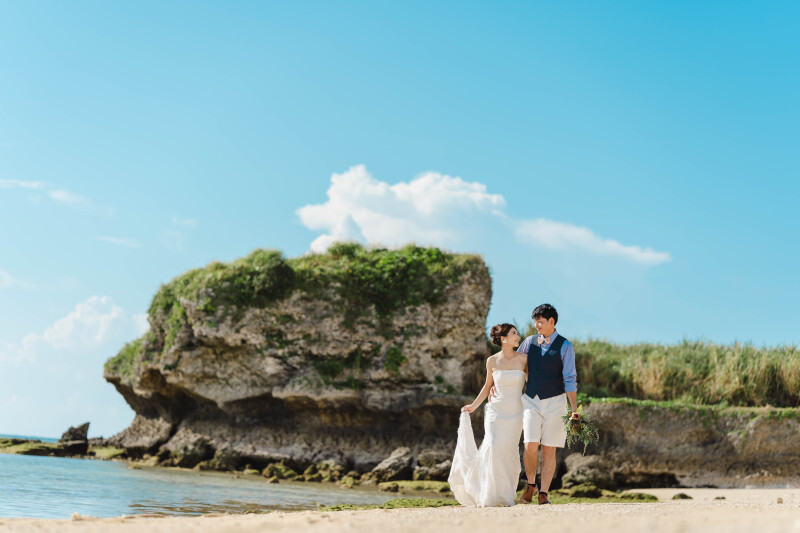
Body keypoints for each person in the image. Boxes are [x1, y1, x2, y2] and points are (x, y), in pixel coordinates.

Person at [448, 323, 527, 507]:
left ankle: (506, 495)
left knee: (509, 451)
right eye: (514, 333)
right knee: (492, 446)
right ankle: (489, 495)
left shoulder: (524, 359)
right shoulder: (491, 361)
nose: (518, 336)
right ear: (504, 339)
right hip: (495, 411)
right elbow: (487, 386)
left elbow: (532, 384)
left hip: (516, 411)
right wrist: (474, 406)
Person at [513, 303, 580, 505]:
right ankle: (530, 484)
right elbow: (516, 365)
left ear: (552, 321)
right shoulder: (529, 342)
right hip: (531, 400)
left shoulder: (566, 346)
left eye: (540, 322)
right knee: (530, 444)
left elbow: (570, 378)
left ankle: (544, 493)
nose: (537, 326)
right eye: (535, 322)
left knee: (550, 449)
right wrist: (496, 383)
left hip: (556, 402)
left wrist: (574, 410)